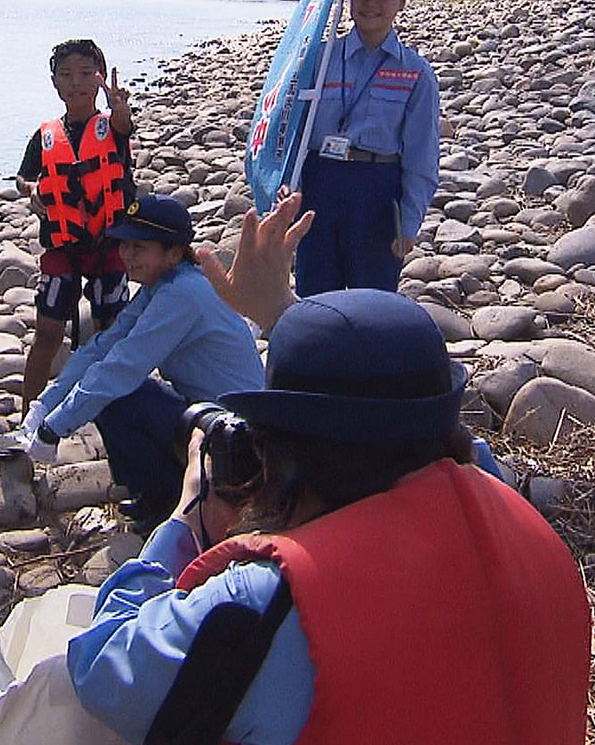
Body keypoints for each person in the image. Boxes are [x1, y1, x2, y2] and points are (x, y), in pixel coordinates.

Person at [66, 246, 590, 743]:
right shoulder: (518, 520)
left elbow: (102, 669)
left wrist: (184, 522)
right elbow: (438, 438)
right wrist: (290, 316)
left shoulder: (269, 604)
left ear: (280, 456)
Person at [3, 194, 264, 527]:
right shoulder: (163, 285)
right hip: (211, 419)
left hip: (238, 439)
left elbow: (123, 367)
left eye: (139, 248)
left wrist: (55, 429)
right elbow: (102, 346)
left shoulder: (182, 294)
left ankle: (169, 501)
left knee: (121, 394)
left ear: (172, 252)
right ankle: (150, 494)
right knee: (111, 389)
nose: (126, 255)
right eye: (124, 245)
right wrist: (44, 406)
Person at [294, 0, 440, 296]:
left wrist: (408, 221)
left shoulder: (415, 73)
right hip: (320, 183)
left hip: (376, 190)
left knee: (372, 299)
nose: (370, 4)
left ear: (402, 2)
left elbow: (422, 155)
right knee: (315, 297)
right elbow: (292, 134)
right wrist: (286, 189)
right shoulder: (320, 60)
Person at [15, 39, 134, 410]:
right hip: (62, 246)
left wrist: (120, 108)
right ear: (55, 83)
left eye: (86, 74)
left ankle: (117, 413)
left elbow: (124, 126)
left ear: (99, 79)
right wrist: (31, 188)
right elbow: (23, 177)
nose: (76, 83)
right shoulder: (46, 134)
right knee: (47, 334)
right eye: (66, 75)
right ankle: (27, 417)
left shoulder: (112, 125)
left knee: (110, 332)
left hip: (109, 243)